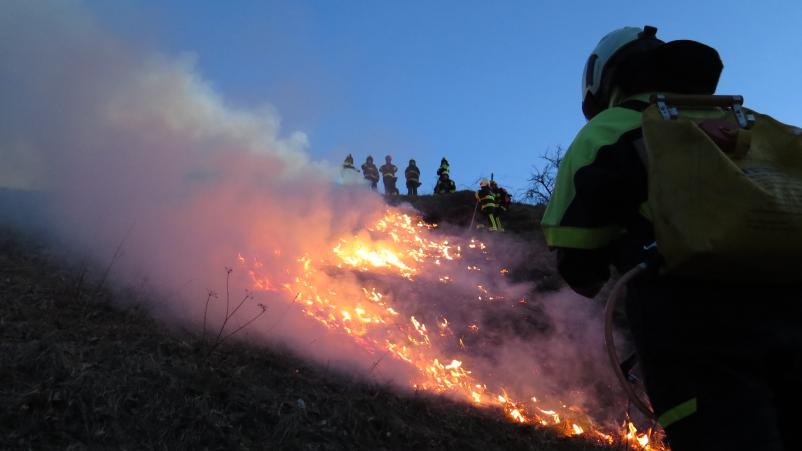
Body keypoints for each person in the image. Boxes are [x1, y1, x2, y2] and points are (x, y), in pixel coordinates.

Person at [541, 25, 802, 450]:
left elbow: (575, 244)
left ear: (607, 78)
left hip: (694, 328)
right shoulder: (749, 123)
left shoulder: (615, 126)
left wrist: (588, 270)